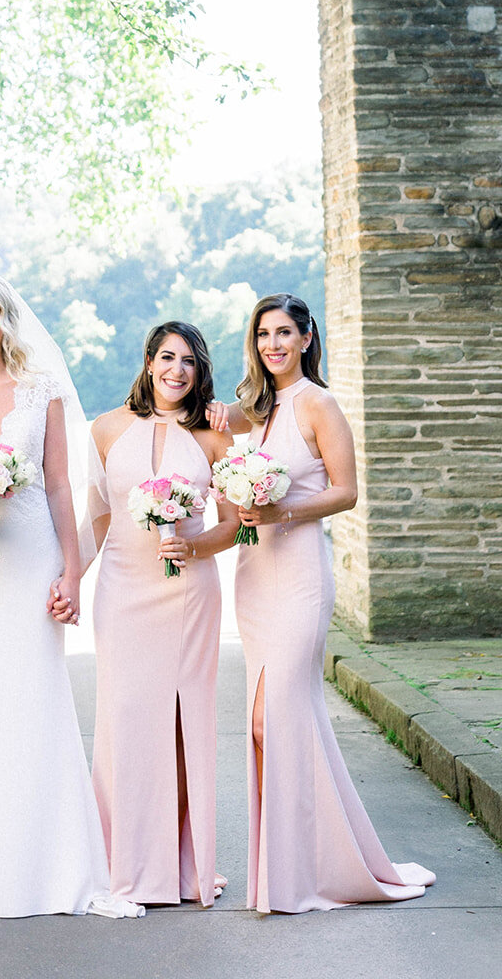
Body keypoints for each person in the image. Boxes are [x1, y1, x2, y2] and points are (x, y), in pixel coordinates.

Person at [0, 272, 135, 919]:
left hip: (32, 554)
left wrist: (71, 570)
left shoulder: (41, 393)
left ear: (9, 321)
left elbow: (62, 486)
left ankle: (51, 867)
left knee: (32, 695)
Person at [208, 293, 435, 914]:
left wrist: (282, 507)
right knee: (277, 722)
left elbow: (346, 492)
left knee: (271, 720)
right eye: (262, 335)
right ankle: (298, 863)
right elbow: (191, 420)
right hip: (255, 575)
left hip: (300, 575)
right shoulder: (254, 409)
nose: (273, 345)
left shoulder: (318, 404)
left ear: (307, 338)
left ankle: (308, 868)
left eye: (284, 333)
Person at [84, 320, 240, 907]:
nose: (177, 370)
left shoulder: (213, 439)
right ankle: (121, 859)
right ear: (148, 362)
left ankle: (179, 865)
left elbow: (234, 526)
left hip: (188, 592)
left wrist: (194, 546)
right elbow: (98, 517)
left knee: (180, 724)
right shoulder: (105, 429)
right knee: (124, 720)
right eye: (167, 357)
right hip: (122, 589)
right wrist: (68, 577)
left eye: (190, 362)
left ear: (199, 373)